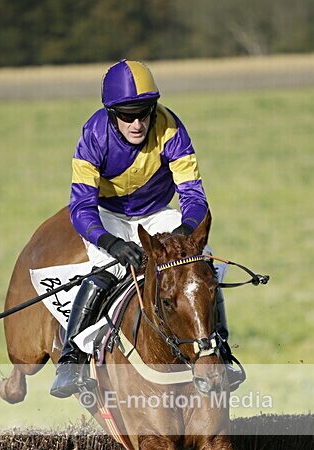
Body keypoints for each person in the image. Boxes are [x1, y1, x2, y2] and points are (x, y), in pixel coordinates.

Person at [51, 59, 232, 398]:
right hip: (108, 215)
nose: (137, 123)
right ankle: (70, 361)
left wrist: (186, 231)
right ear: (111, 113)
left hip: (156, 213)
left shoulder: (171, 128)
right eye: (127, 115)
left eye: (144, 112)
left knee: (202, 264)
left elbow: (193, 194)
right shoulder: (93, 136)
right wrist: (111, 243)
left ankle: (221, 351)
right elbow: (81, 208)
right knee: (104, 269)